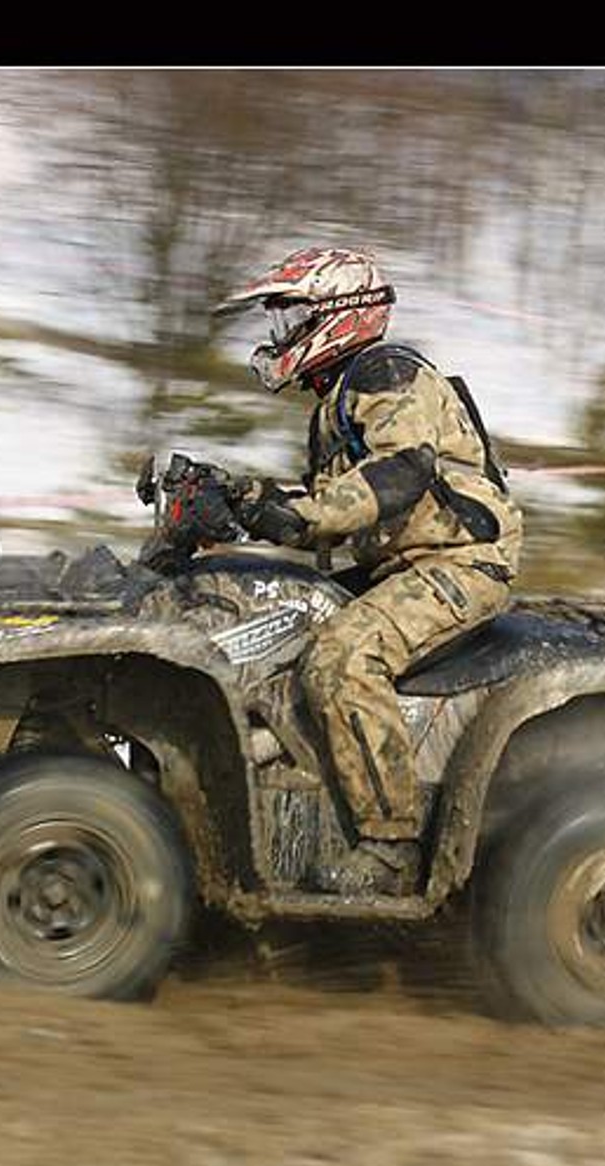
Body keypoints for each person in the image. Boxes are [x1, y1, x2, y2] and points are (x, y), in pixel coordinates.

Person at [215, 246, 525, 897]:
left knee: (342, 658)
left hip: (459, 561)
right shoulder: (338, 397)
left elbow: (398, 473)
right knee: (271, 633)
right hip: (399, 565)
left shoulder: (386, 373)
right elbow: (326, 507)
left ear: (337, 315)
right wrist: (237, 501)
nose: (284, 335)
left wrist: (297, 517)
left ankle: (391, 847)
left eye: (296, 319)